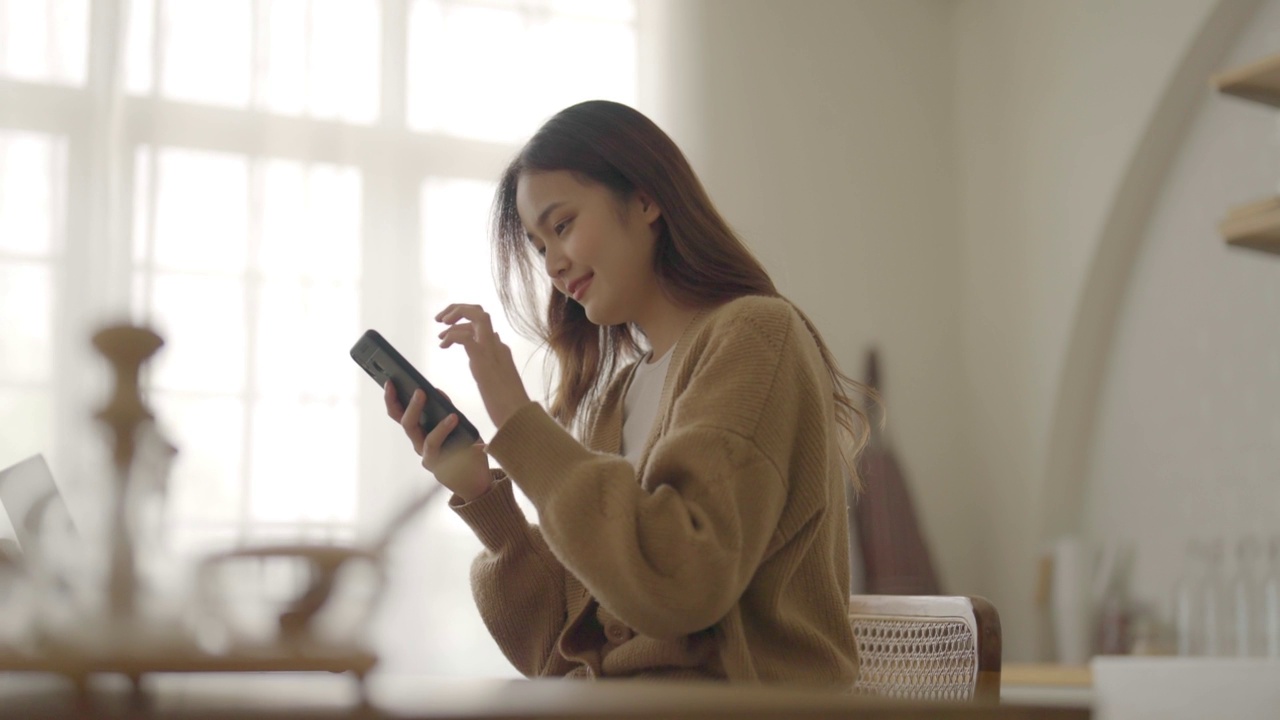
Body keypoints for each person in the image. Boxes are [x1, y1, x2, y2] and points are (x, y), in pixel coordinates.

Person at [384, 100, 871, 685]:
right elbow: (556, 655)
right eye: (540, 248)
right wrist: (483, 492)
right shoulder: (618, 398)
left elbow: (682, 582)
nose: (554, 266)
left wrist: (517, 419)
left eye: (562, 226)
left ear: (644, 199)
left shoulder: (755, 335)